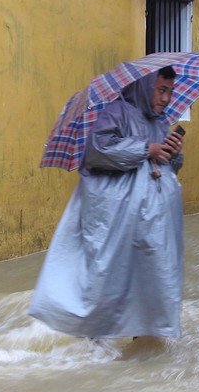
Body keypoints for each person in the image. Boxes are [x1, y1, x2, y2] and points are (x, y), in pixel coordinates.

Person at [29, 65, 185, 339]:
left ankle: (147, 335)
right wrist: (146, 148)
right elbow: (98, 151)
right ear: (146, 87)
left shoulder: (161, 123)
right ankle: (98, 337)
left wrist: (173, 153)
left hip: (155, 222)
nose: (166, 99)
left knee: (153, 272)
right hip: (120, 217)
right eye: (161, 90)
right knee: (112, 273)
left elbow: (169, 167)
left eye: (170, 92)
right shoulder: (115, 112)